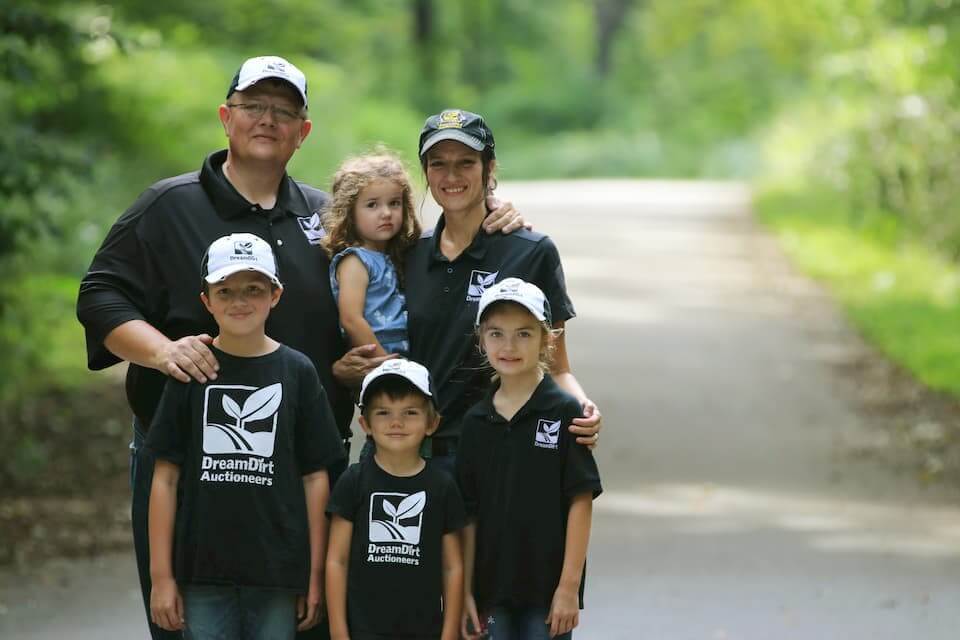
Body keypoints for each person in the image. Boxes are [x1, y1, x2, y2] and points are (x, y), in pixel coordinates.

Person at [76, 57, 520, 639]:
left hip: (306, 464)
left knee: (306, 621)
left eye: (284, 111)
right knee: (189, 619)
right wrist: (161, 351)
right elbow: (100, 294)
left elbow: (404, 278)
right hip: (190, 462)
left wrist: (490, 214)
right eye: (253, 106)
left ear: (303, 131)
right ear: (225, 117)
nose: (267, 120)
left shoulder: (327, 217)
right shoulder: (170, 205)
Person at [146, 233, 346, 639]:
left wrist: (314, 573)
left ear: (275, 294)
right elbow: (165, 478)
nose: (239, 301)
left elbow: (315, 477)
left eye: (254, 289)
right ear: (206, 300)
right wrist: (162, 577)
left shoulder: (297, 371)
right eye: (226, 290)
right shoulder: (192, 371)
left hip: (277, 573)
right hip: (201, 573)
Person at [403, 108, 600, 472]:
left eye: (466, 163)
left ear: (489, 169)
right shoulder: (408, 253)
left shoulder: (530, 252)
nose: (451, 176)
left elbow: (557, 367)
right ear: (426, 172)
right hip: (417, 455)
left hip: (500, 451)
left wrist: (582, 409)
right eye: (438, 164)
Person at [457, 278, 602, 640]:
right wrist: (465, 592)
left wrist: (568, 587)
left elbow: (580, 501)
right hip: (491, 592)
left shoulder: (566, 412)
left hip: (548, 594)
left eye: (523, 334)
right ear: (481, 339)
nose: (508, 346)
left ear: (547, 340)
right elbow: (468, 514)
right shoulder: (475, 422)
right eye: (496, 334)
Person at [326, 359, 465, 640]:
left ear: (432, 422)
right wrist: (339, 632)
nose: (396, 422)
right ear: (365, 423)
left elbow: (452, 567)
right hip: (363, 630)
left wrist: (449, 634)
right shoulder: (353, 481)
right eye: (383, 412)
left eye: (411, 412)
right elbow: (336, 561)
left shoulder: (442, 486)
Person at [323, 150, 420, 357]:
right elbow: (351, 319)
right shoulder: (355, 261)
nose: (386, 213)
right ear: (350, 213)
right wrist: (384, 363)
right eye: (372, 205)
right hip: (376, 360)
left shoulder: (395, 256)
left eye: (394, 203)